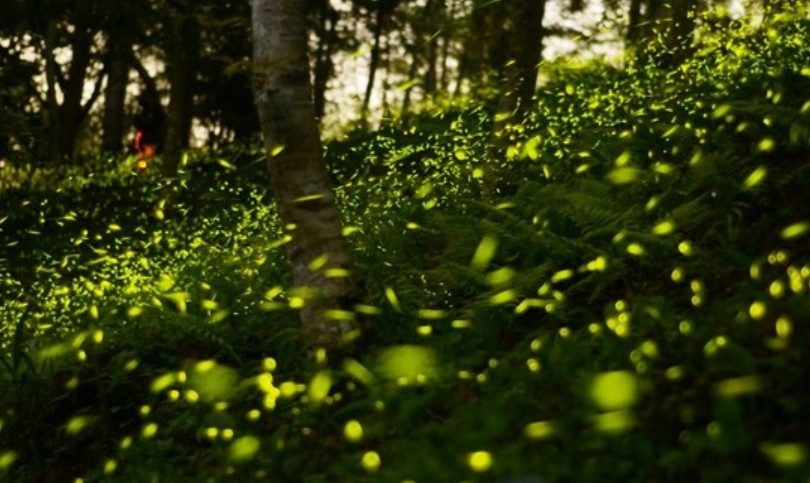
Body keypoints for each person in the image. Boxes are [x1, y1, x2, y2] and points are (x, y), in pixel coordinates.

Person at [133, 89, 165, 169]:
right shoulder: (143, 111)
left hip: (152, 142)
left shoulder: (157, 112)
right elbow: (137, 124)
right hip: (143, 142)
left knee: (150, 162)